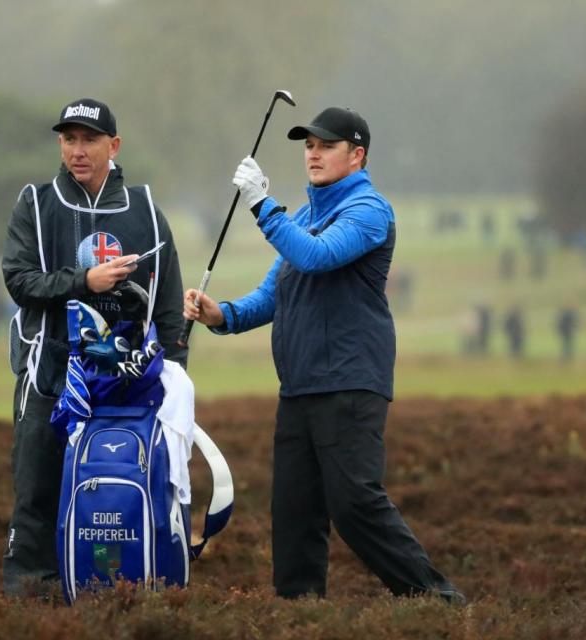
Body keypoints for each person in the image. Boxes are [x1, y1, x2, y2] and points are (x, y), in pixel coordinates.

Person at [183, 106, 464, 604]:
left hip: (349, 383)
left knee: (354, 503)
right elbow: (273, 296)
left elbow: (317, 256)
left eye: (326, 145)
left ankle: (437, 601)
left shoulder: (369, 211)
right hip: (300, 386)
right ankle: (299, 613)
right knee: (294, 512)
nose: (313, 154)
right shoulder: (307, 214)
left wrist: (261, 204)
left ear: (357, 155)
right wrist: (220, 314)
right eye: (308, 146)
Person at [1, 97, 187, 597]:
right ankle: (30, 604)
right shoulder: (36, 205)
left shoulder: (146, 212)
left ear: (114, 145)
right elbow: (19, 281)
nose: (77, 151)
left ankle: (112, 594)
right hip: (49, 378)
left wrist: (173, 375)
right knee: (37, 496)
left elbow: (168, 305)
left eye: (89, 140)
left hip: (127, 385)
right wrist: (85, 281)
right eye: (68, 139)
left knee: (115, 499)